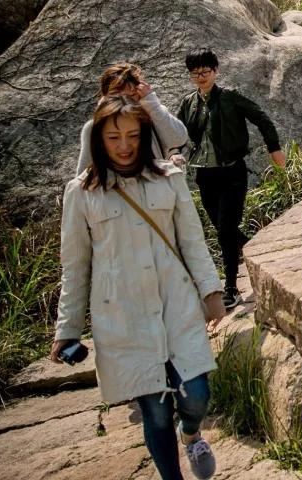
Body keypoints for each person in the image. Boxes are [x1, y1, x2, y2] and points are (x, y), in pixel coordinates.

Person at [52, 96, 226, 480]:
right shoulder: (82, 194)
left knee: (196, 395)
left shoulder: (169, 179)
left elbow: (193, 242)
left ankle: (192, 432)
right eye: (114, 137)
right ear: (98, 139)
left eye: (133, 135)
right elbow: (75, 267)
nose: (125, 145)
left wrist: (211, 293)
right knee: (156, 409)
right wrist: (66, 330)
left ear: (144, 135)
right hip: (123, 315)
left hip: (175, 303)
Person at [176, 48, 286, 310]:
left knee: (226, 229)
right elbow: (176, 134)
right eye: (195, 73)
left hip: (231, 172)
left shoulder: (230, 98)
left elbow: (261, 118)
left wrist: (274, 148)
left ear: (215, 71)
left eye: (205, 71)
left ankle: (230, 289)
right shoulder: (188, 103)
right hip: (205, 174)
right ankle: (254, 250)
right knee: (223, 229)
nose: (201, 77)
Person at [77, 62, 188, 173]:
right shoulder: (94, 127)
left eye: (131, 96)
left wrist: (152, 104)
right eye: (116, 96)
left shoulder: (152, 116)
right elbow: (84, 173)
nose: (124, 101)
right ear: (105, 97)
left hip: (154, 186)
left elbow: (178, 139)